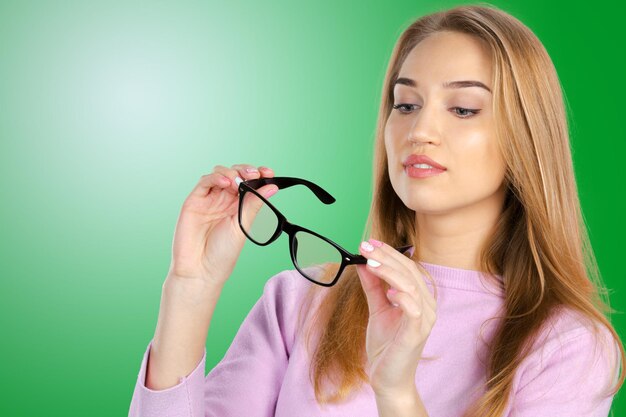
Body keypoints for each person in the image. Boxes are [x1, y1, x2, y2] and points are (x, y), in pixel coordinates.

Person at [128, 4, 624, 417]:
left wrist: (398, 392)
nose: (420, 130)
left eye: (463, 109)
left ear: (527, 138)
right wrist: (191, 288)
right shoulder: (299, 300)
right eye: (406, 104)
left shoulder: (568, 346)